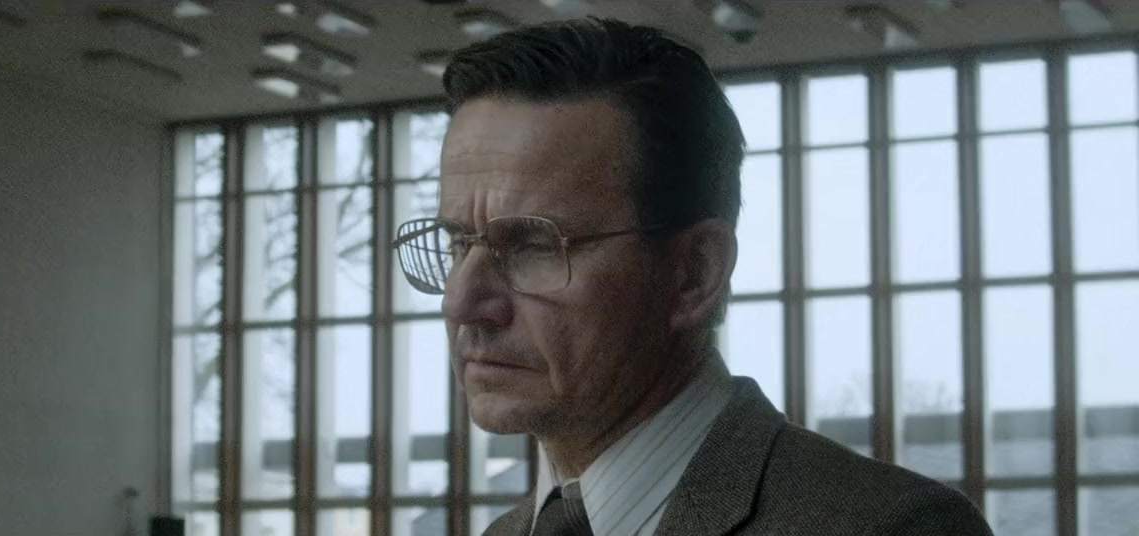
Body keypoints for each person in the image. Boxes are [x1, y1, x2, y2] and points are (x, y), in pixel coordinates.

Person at [392, 16, 992, 536]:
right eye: (457, 242)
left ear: (695, 274)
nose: (461, 301)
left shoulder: (889, 528)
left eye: (532, 245)